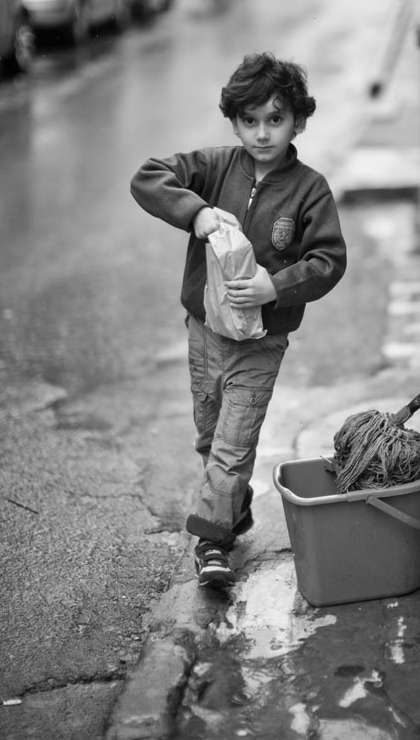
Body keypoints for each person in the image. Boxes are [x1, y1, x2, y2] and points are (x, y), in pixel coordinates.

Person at [130, 52, 347, 590]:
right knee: (209, 436)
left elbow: (329, 261)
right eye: (249, 121)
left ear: (297, 120)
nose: (262, 133)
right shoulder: (216, 166)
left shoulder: (309, 189)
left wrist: (277, 285)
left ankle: (212, 543)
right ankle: (233, 504)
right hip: (205, 334)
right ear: (234, 122)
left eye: (275, 119)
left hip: (262, 343)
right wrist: (196, 212)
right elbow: (147, 177)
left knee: (232, 446)